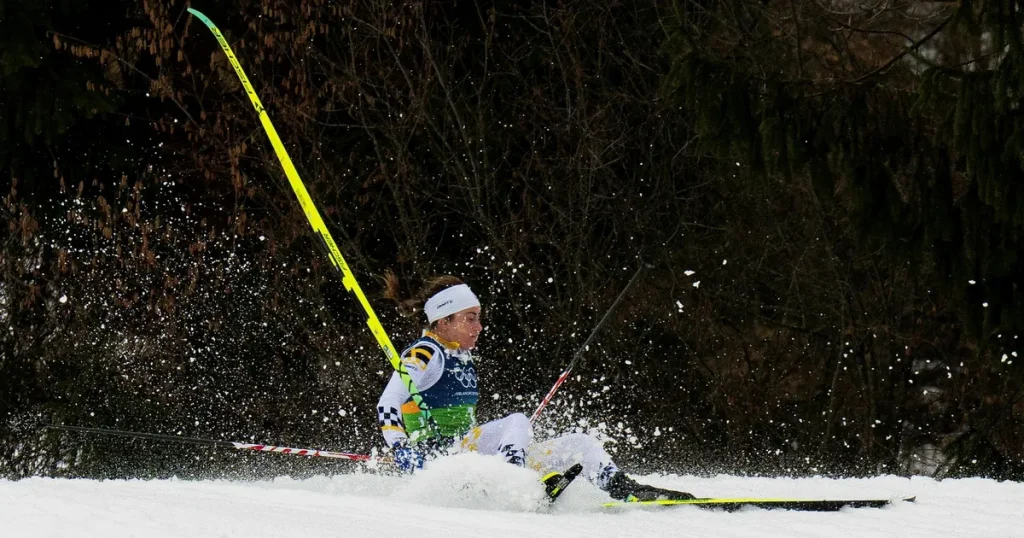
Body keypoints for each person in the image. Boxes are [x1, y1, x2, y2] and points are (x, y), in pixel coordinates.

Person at [375, 274, 694, 502]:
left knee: (580, 444)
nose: (480, 327)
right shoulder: (424, 352)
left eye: (479, 317)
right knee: (516, 421)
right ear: (444, 321)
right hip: (443, 463)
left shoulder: (458, 354)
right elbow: (388, 402)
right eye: (471, 318)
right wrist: (402, 449)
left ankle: (622, 487)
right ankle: (513, 480)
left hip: (471, 459)